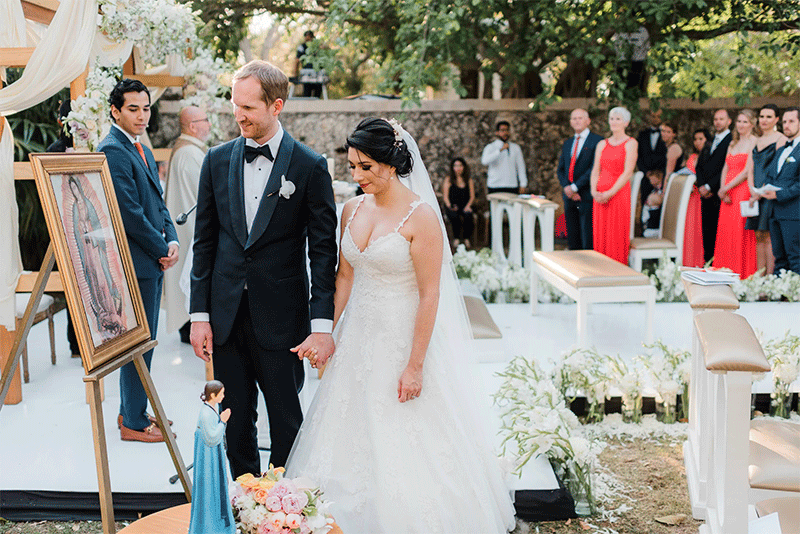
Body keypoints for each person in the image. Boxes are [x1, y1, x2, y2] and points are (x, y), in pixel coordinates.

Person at [286, 118, 515, 533]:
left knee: (409, 436)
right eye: (352, 166)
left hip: (405, 338)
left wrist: (415, 365)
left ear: (391, 164)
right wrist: (325, 332)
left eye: (366, 167)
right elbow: (344, 279)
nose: (356, 176)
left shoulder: (421, 216)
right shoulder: (351, 209)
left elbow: (431, 295)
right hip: (358, 337)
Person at [190, 60, 338, 477]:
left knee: (287, 420)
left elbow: (323, 251)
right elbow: (205, 243)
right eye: (235, 105)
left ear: (277, 106)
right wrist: (199, 316)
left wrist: (320, 323)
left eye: (248, 108)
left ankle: (285, 507)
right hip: (226, 318)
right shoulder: (216, 161)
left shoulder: (310, 167)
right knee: (233, 420)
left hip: (283, 319)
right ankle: (242, 502)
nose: (238, 115)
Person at [98, 79, 179, 443]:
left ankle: (133, 410)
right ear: (115, 111)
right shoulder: (113, 149)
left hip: (152, 259)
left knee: (145, 343)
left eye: (146, 108)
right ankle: (132, 422)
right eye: (133, 108)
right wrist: (162, 249)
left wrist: (172, 238)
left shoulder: (137, 146)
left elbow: (158, 203)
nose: (142, 115)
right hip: (136, 264)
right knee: (138, 345)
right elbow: (129, 213)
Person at [163, 106, 210, 344]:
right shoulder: (189, 153)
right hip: (190, 226)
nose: (209, 125)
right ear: (192, 126)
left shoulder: (189, 150)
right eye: (206, 120)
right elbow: (207, 191)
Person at [46, 100, 81, 358]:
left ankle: (76, 343)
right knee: (76, 282)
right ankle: (77, 342)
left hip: (70, 222)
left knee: (76, 283)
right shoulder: (56, 151)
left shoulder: (54, 149)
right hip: (67, 223)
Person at [712, 109, 757, 278]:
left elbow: (747, 171)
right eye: (739, 121)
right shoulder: (732, 143)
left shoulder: (754, 142)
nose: (741, 125)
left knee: (739, 231)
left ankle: (742, 272)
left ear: (752, 124)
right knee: (725, 231)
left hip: (742, 190)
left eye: (745, 122)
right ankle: (724, 270)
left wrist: (727, 187)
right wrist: (723, 188)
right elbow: (725, 167)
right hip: (727, 192)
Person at [591, 107, 638, 264]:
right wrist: (594, 192)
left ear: (626, 122)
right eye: (612, 118)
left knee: (615, 234)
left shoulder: (631, 143)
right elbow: (595, 170)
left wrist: (610, 193)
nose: (614, 122)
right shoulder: (601, 144)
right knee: (600, 234)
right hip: (599, 197)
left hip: (618, 195)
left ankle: (617, 271)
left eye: (618, 119)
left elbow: (628, 172)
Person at [187, 380, 235, 534]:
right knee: (210, 487)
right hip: (208, 458)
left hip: (212, 454)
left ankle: (217, 524)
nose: (223, 396)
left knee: (216, 486)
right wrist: (223, 421)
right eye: (221, 394)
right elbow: (212, 437)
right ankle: (209, 527)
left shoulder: (211, 409)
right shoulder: (207, 413)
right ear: (213, 395)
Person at [746, 104, 785, 275]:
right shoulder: (756, 140)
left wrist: (761, 192)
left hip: (769, 194)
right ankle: (759, 279)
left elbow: (777, 169)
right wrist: (751, 190)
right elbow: (750, 168)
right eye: (762, 116)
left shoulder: (781, 139)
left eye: (769, 117)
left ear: (777, 119)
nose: (764, 120)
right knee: (758, 236)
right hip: (755, 195)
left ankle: (770, 278)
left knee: (770, 237)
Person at [556, 108, 603, 250]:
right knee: (573, 234)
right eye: (574, 118)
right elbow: (561, 169)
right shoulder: (568, 143)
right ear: (570, 122)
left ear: (588, 121)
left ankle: (588, 266)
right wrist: (567, 188)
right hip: (569, 195)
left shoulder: (597, 141)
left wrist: (576, 187)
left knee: (587, 234)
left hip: (587, 194)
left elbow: (595, 168)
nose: (577, 121)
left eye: (580, 118)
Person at [761, 107, 800, 274]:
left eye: (791, 121)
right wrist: (764, 189)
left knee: (795, 258)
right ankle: (780, 296)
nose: (786, 125)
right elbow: (771, 175)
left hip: (793, 213)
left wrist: (779, 194)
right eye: (784, 121)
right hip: (774, 212)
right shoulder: (781, 150)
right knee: (779, 259)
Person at [695, 109, 732, 263]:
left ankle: (719, 264)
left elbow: (725, 166)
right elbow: (699, 166)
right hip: (705, 195)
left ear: (729, 121)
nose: (718, 122)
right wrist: (702, 186)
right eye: (716, 119)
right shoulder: (710, 141)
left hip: (720, 193)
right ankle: (708, 263)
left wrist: (710, 186)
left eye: (721, 119)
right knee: (707, 232)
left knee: (719, 232)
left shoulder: (731, 140)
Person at [682, 129, 711, 267]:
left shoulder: (708, 155)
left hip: (700, 196)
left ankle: (698, 261)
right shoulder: (692, 156)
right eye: (695, 139)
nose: (697, 142)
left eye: (701, 139)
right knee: (688, 228)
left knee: (698, 228)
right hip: (690, 197)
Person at [481, 120, 527, 194]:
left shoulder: (515, 147)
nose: (505, 133)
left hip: (511, 185)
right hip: (495, 185)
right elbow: (484, 161)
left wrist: (523, 184)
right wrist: (500, 150)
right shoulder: (491, 147)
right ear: (497, 132)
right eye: (502, 130)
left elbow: (521, 166)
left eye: (507, 130)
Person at [636, 110, 667, 212]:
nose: (655, 119)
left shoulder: (666, 135)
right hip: (646, 177)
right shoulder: (642, 135)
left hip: (661, 178)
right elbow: (638, 156)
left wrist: (659, 175)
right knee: (644, 204)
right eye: (653, 116)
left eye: (658, 116)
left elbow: (667, 157)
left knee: (661, 206)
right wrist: (647, 173)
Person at [442, 157, 475, 248]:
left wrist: (468, 206)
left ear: (464, 167)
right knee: (454, 216)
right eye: (456, 166)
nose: (458, 168)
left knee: (468, 215)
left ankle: (466, 238)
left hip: (464, 205)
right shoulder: (448, 180)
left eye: (460, 165)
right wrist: (450, 206)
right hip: (452, 205)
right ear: (452, 167)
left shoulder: (468, 180)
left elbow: (472, 197)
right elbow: (445, 197)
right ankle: (456, 238)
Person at [295, 30, 322, 98]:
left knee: (317, 94)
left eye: (309, 37)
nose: (308, 38)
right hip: (306, 73)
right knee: (307, 93)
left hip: (317, 73)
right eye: (306, 37)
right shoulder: (301, 47)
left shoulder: (318, 47)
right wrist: (295, 73)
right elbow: (297, 60)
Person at [641, 169, 664, 238]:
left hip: (654, 224)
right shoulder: (653, 190)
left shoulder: (661, 190)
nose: (651, 181)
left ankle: (653, 227)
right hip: (647, 218)